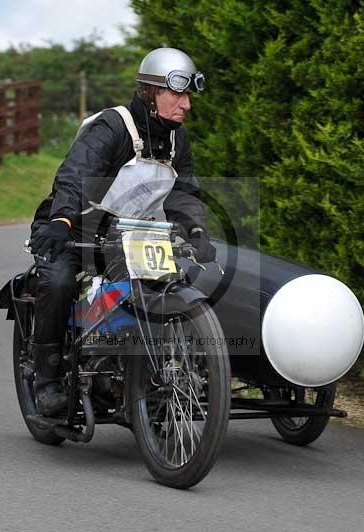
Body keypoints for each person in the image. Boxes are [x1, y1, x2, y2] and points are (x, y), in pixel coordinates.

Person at [27, 47, 217, 416]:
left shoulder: (178, 140)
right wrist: (61, 221)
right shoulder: (113, 126)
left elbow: (183, 193)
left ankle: (145, 377)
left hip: (131, 235)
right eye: (177, 93)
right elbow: (76, 174)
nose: (187, 105)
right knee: (61, 281)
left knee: (164, 285)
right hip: (76, 227)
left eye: (189, 95)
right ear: (150, 93)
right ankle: (47, 380)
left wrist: (196, 230)